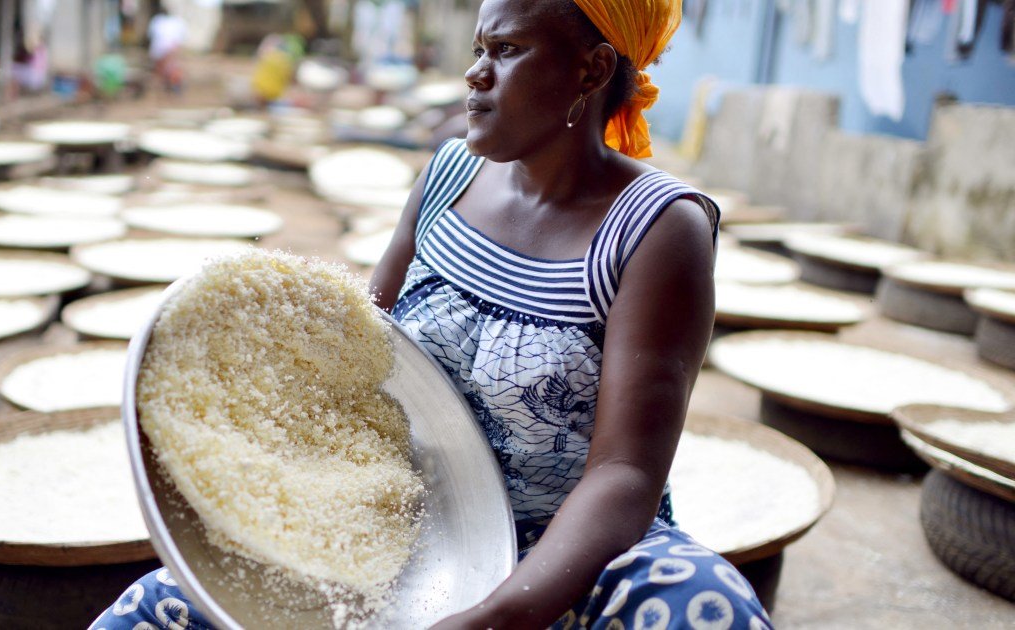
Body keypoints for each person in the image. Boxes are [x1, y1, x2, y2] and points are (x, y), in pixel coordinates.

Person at [93, 0, 773, 627]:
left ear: (591, 69)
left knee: (704, 602)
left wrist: (497, 615)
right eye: (478, 48)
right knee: (155, 608)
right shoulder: (447, 177)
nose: (475, 74)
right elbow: (357, 353)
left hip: (568, 554)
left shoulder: (657, 230)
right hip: (413, 532)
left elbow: (624, 476)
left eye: (506, 51)